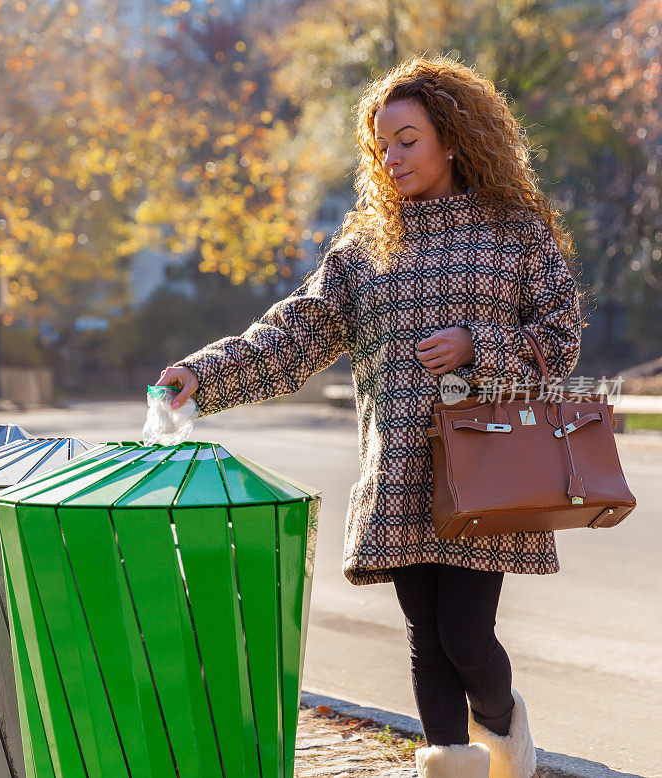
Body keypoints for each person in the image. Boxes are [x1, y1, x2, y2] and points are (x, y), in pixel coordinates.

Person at [156, 55, 582, 778]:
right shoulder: (365, 250)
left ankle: (508, 733)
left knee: (467, 638)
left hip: (490, 470)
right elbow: (296, 334)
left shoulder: (516, 233)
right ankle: (451, 764)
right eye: (381, 145)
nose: (392, 157)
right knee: (426, 637)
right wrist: (203, 374)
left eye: (408, 139)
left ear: (452, 137)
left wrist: (481, 346)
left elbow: (561, 339)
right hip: (402, 468)